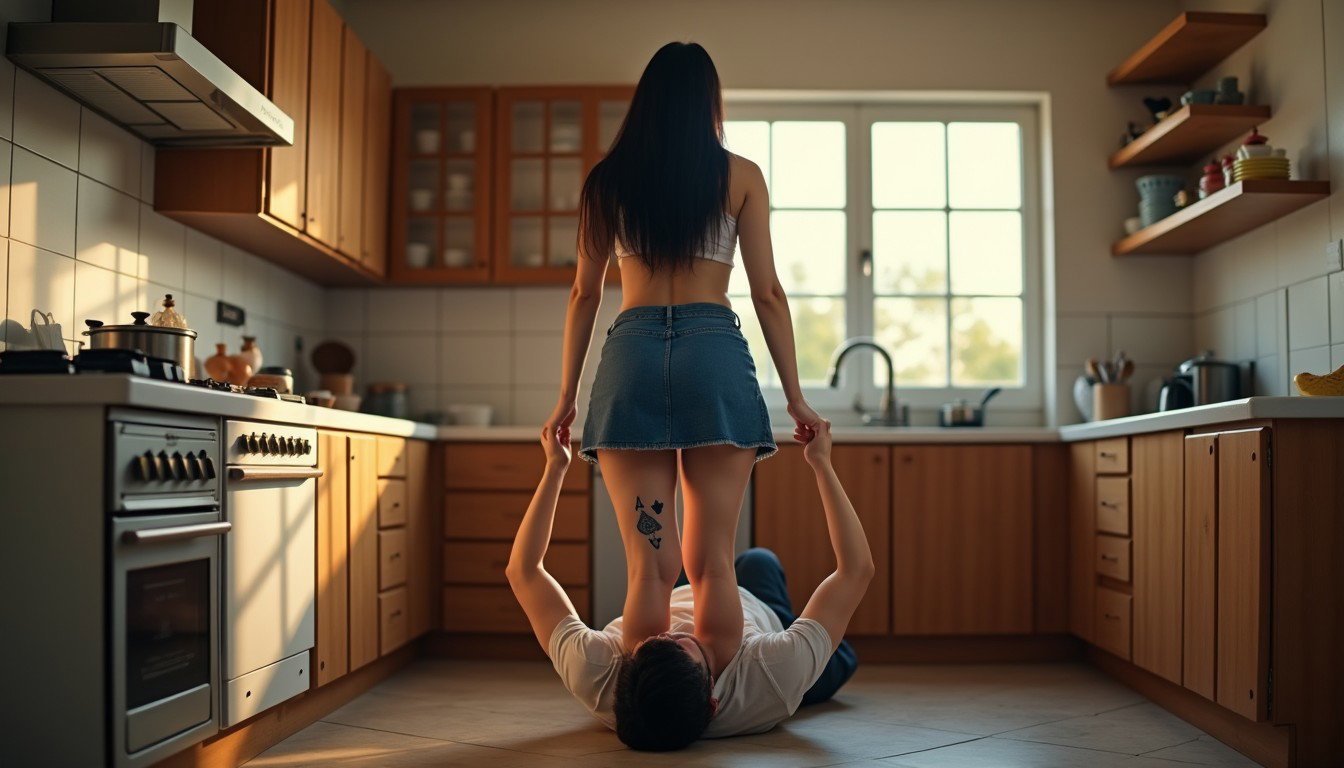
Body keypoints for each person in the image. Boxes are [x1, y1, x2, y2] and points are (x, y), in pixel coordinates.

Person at [540, 39, 824, 732]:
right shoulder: (742, 176)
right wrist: (795, 395)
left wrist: (566, 396)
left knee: (649, 568)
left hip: (631, 359)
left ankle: (648, 704)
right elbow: (769, 295)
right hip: (713, 361)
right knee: (713, 563)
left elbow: (584, 293)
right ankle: (713, 699)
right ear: (709, 104)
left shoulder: (608, 182)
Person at [507, 418, 872, 750]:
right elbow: (856, 571)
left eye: (653, 641)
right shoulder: (773, 676)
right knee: (762, 563)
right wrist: (822, 463)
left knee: (677, 568)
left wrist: (555, 467)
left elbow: (523, 572)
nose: (671, 632)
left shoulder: (596, 671)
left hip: (679, 589)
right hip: (761, 616)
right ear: (713, 699)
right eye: (682, 642)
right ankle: (823, 649)